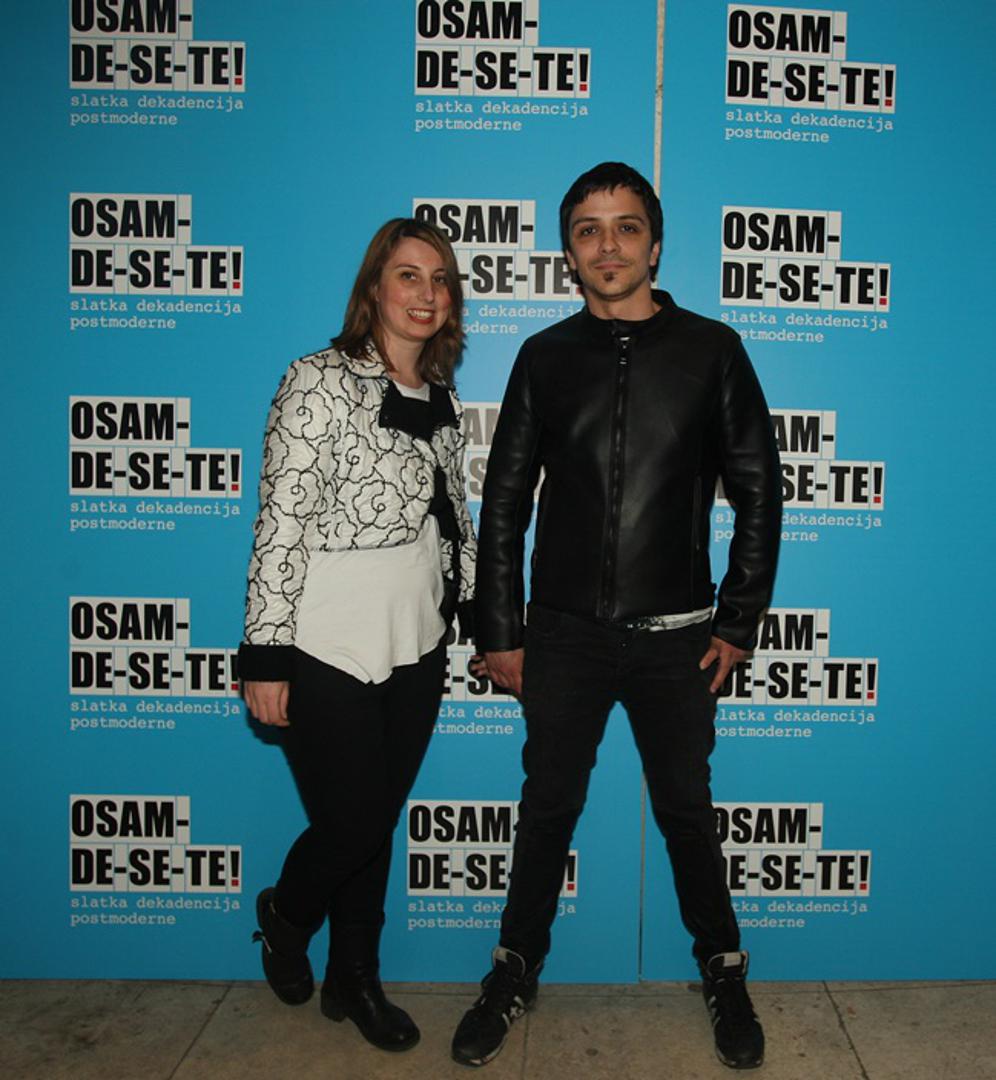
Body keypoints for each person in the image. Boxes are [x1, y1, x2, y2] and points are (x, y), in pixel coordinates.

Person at [451, 163, 782, 1070]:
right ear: (569, 251)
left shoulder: (713, 349)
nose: (609, 245)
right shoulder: (544, 356)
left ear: (655, 244)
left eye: (626, 227)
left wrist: (737, 620)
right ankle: (513, 969)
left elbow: (760, 491)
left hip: (679, 642)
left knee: (686, 810)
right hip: (563, 638)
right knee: (547, 809)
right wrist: (500, 631)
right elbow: (503, 503)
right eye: (588, 230)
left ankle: (723, 969)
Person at [238, 218, 476, 1053]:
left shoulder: (442, 399)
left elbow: (451, 520)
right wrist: (266, 655)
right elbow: (282, 522)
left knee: (376, 823)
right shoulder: (317, 379)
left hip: (417, 639)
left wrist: (474, 611)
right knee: (353, 824)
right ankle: (285, 916)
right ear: (374, 287)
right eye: (408, 275)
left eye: (440, 279)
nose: (426, 293)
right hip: (324, 641)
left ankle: (355, 977)